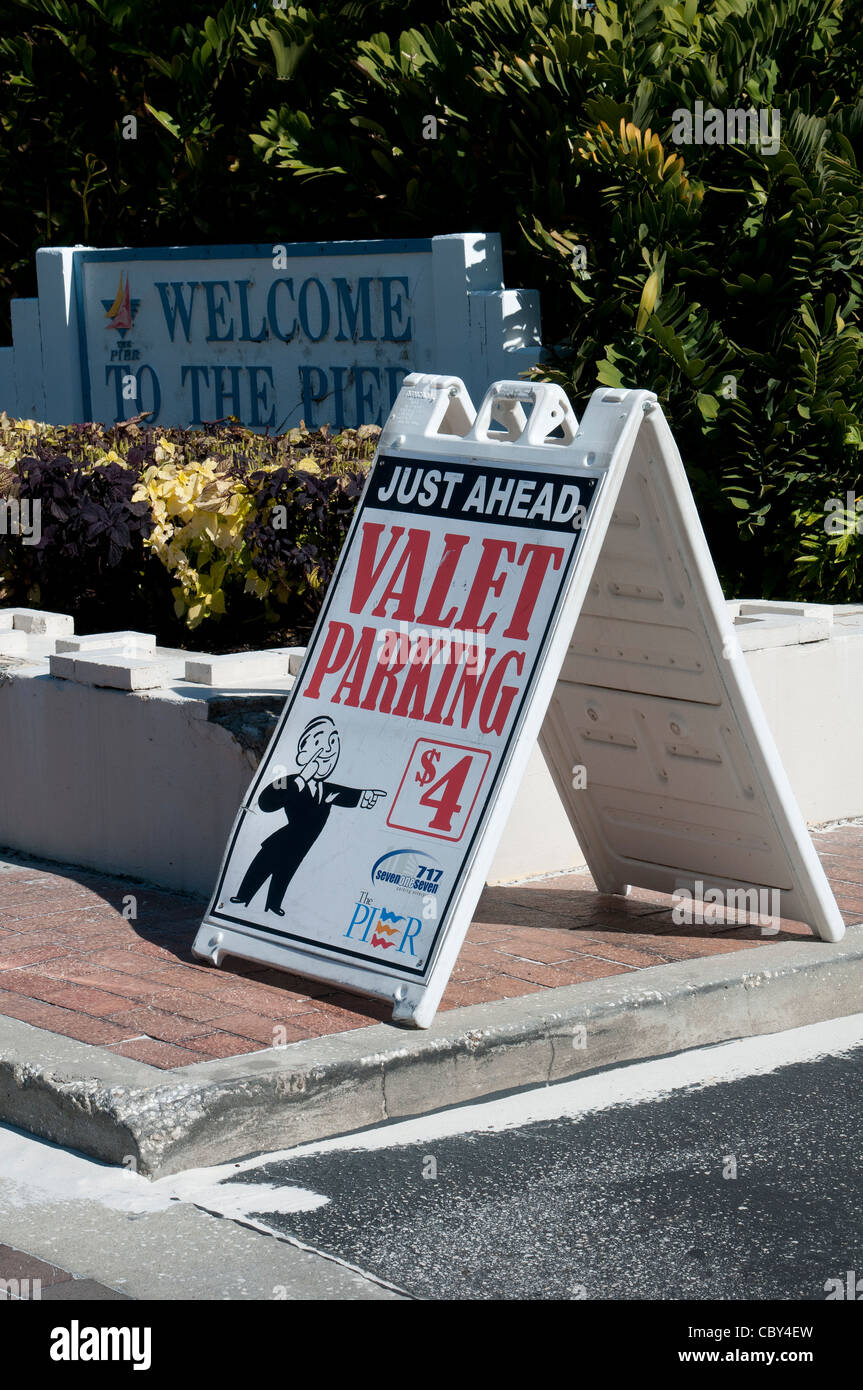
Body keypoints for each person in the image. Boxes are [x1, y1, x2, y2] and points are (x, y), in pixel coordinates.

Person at [229, 715, 386, 916]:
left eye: (332, 743)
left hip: (301, 846)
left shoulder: (325, 790)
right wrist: (303, 777)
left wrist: (365, 795)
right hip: (279, 841)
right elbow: (267, 803)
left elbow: (345, 793)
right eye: (319, 742)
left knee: (284, 875)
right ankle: (242, 897)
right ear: (302, 752)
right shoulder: (288, 780)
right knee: (261, 868)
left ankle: (273, 905)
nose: (327, 750)